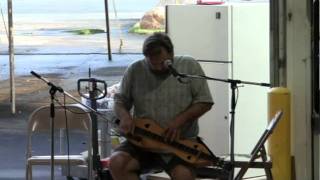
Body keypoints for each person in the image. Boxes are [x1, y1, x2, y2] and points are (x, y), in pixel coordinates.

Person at [108, 32, 213, 180]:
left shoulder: (189, 65)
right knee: (117, 162)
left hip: (179, 142)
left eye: (162, 63)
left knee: (183, 175)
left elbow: (204, 101)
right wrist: (125, 117)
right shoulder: (135, 69)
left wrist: (179, 122)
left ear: (172, 53)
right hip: (143, 139)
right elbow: (120, 100)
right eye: (152, 63)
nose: (157, 68)